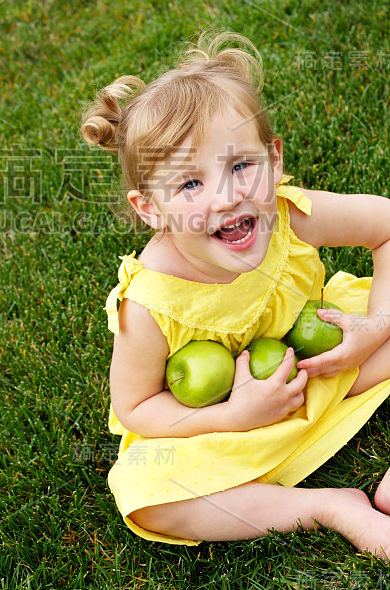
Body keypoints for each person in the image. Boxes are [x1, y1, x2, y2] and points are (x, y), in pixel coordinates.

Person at [80, 29, 390, 558]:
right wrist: (232, 416)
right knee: (147, 495)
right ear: (149, 208)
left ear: (273, 158)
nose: (227, 196)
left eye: (241, 166)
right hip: (227, 420)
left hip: (329, 364)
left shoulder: (290, 216)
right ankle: (332, 507)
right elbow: (135, 408)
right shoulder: (151, 300)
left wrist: (374, 328)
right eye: (190, 184)